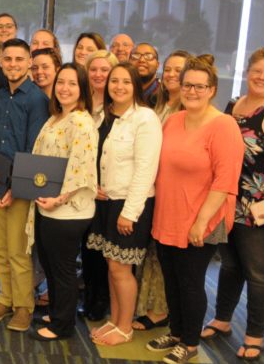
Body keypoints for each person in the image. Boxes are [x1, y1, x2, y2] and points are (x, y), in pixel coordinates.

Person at [203, 47, 264, 360]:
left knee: (259, 272)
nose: (261, 77)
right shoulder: (237, 104)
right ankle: (222, 320)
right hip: (235, 201)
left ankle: (255, 336)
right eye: (257, 71)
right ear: (248, 72)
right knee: (231, 265)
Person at [148, 57, 244, 364]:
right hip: (168, 213)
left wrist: (200, 222)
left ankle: (189, 342)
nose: (192, 91)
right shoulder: (174, 120)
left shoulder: (224, 126)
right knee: (172, 279)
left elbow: (225, 181)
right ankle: (176, 333)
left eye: (199, 86)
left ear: (212, 90)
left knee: (190, 281)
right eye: (187, 85)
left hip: (203, 218)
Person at [86, 63, 162, 346]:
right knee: (111, 265)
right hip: (105, 202)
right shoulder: (103, 116)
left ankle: (125, 327)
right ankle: (115, 321)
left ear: (136, 87)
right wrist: (92, 185)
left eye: (126, 82)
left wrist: (129, 213)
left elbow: (146, 169)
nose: (118, 86)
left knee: (121, 268)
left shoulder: (144, 118)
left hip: (130, 206)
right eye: (113, 81)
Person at [0, 38, 50, 332]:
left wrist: (15, 188)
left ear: (29, 62)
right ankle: (5, 298)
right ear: (1, 61)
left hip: (20, 184)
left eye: (19, 60)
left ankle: (24, 306)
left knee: (20, 251)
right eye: (8, 59)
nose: (13, 65)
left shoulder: (36, 99)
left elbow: (33, 149)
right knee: (1, 248)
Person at [25, 64, 98, 341]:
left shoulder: (81, 121)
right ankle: (58, 312)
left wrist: (59, 198)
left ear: (83, 90)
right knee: (52, 264)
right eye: (61, 83)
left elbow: (82, 168)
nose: (64, 89)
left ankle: (62, 326)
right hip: (48, 205)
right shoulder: (57, 117)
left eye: (72, 84)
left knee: (63, 268)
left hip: (68, 210)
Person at [133, 50, 191, 331]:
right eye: (167, 69)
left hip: (174, 189)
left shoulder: (188, 111)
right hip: (151, 185)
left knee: (164, 254)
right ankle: (147, 305)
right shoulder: (156, 103)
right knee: (151, 251)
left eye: (177, 70)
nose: (170, 75)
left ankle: (161, 310)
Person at [80, 49, 119, 320]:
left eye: (105, 70)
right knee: (86, 248)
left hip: (107, 192)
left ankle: (101, 302)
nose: (98, 74)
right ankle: (89, 296)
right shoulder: (81, 102)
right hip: (83, 189)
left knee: (105, 251)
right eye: (94, 69)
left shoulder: (118, 107)